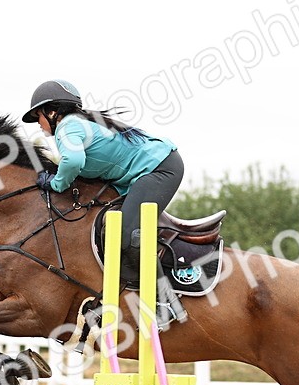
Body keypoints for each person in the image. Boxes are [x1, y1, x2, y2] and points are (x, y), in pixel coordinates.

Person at [23, 80, 183, 293]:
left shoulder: (67, 127)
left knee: (127, 234)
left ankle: (164, 298)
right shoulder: (77, 123)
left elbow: (73, 162)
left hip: (159, 168)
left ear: (52, 112)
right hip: (150, 170)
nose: (38, 125)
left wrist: (55, 183)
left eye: (38, 118)